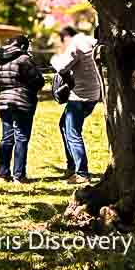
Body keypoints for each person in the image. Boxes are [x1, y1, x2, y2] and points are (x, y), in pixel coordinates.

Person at [51, 26, 103, 184]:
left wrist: (54, 58)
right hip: (93, 95)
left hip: (79, 97)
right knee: (63, 125)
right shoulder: (92, 42)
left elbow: (61, 67)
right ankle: (72, 167)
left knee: (73, 133)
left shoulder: (76, 44)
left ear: (66, 37)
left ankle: (81, 173)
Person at [0, 35, 44, 183]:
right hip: (22, 102)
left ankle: (3, 174)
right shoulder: (24, 59)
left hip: (4, 102)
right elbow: (38, 81)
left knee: (7, 138)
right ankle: (19, 176)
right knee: (21, 138)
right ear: (22, 47)